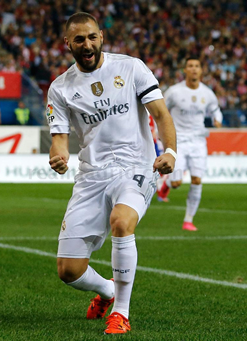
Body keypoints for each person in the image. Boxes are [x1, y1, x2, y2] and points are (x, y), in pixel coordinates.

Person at [47, 12, 177, 335]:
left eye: (92, 37)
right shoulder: (60, 89)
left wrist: (170, 152)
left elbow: (160, 114)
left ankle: (121, 312)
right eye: (79, 39)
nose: (87, 44)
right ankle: (108, 290)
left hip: (135, 167)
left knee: (121, 221)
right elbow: (59, 140)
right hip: (91, 176)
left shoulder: (131, 68)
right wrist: (59, 155)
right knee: (68, 270)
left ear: (101, 36)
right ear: (68, 44)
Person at [157, 56, 222, 232]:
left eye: (197, 66)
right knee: (177, 182)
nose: (193, 69)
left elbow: (216, 109)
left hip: (199, 141)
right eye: (190, 66)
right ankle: (166, 186)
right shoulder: (174, 92)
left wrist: (217, 118)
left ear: (201, 70)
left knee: (197, 180)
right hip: (178, 141)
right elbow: (160, 109)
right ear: (185, 70)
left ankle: (188, 220)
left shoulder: (207, 93)